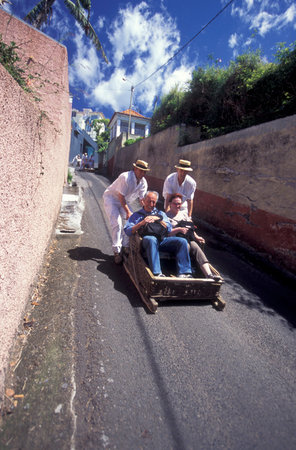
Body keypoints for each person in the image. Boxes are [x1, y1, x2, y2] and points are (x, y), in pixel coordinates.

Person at [124, 191, 193, 278]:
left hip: (162, 240)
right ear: (144, 201)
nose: (151, 204)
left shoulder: (160, 214)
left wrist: (158, 219)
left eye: (154, 202)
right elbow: (128, 231)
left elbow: (169, 228)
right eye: (149, 201)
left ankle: (185, 272)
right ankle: (157, 273)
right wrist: (142, 223)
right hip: (146, 241)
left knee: (182, 241)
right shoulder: (136, 215)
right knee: (151, 239)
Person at [103, 160, 149, 264]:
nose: (143, 173)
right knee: (117, 224)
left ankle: (125, 246)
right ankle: (116, 252)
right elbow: (120, 196)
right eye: (141, 171)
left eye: (145, 172)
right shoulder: (126, 177)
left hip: (124, 201)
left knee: (131, 223)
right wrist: (128, 212)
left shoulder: (143, 182)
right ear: (135, 169)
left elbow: (142, 199)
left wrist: (147, 209)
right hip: (112, 199)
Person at [166, 193, 221, 280]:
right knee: (185, 245)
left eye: (179, 203)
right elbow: (166, 233)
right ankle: (184, 272)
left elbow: (191, 228)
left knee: (196, 247)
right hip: (174, 240)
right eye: (175, 203)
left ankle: (209, 274)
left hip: (186, 238)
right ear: (170, 203)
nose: (177, 206)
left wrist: (197, 236)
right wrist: (179, 229)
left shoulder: (184, 215)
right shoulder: (166, 216)